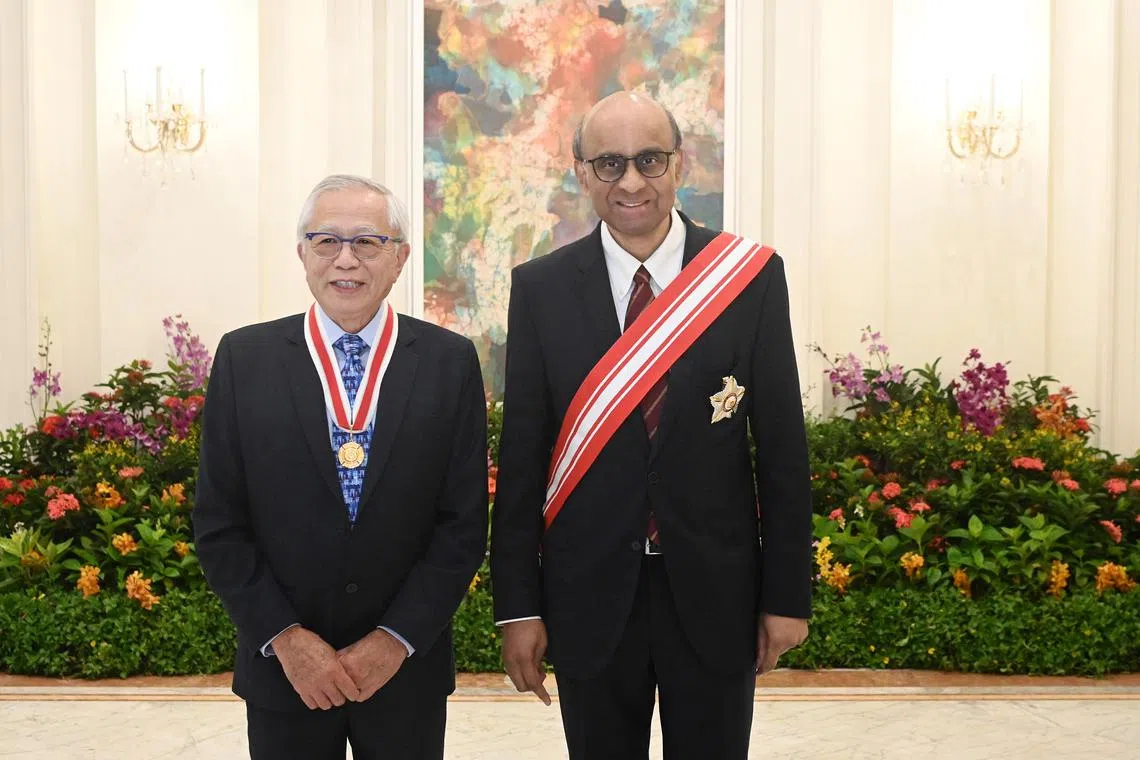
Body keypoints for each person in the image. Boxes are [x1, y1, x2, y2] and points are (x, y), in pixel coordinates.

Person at [490, 92, 813, 759]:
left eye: (648, 160)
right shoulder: (540, 289)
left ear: (678, 164)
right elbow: (524, 459)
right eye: (609, 163)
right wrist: (517, 608)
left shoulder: (749, 278)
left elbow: (782, 453)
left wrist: (788, 597)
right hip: (588, 600)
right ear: (581, 172)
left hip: (717, 597)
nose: (630, 182)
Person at [194, 174, 488, 760]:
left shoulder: (448, 363)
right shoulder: (244, 360)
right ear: (302, 253)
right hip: (286, 676)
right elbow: (219, 525)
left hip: (406, 673)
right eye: (326, 241)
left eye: (367, 242)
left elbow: (461, 527)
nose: (345, 260)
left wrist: (394, 640)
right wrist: (287, 641)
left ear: (400, 257)